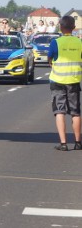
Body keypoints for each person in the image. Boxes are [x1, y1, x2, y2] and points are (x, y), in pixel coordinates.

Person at [48, 16, 82, 151]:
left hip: (58, 81)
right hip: (73, 80)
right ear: (74, 28)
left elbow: (50, 58)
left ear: (60, 27)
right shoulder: (79, 42)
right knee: (75, 112)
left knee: (59, 111)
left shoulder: (55, 42)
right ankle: (78, 142)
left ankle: (63, 143)